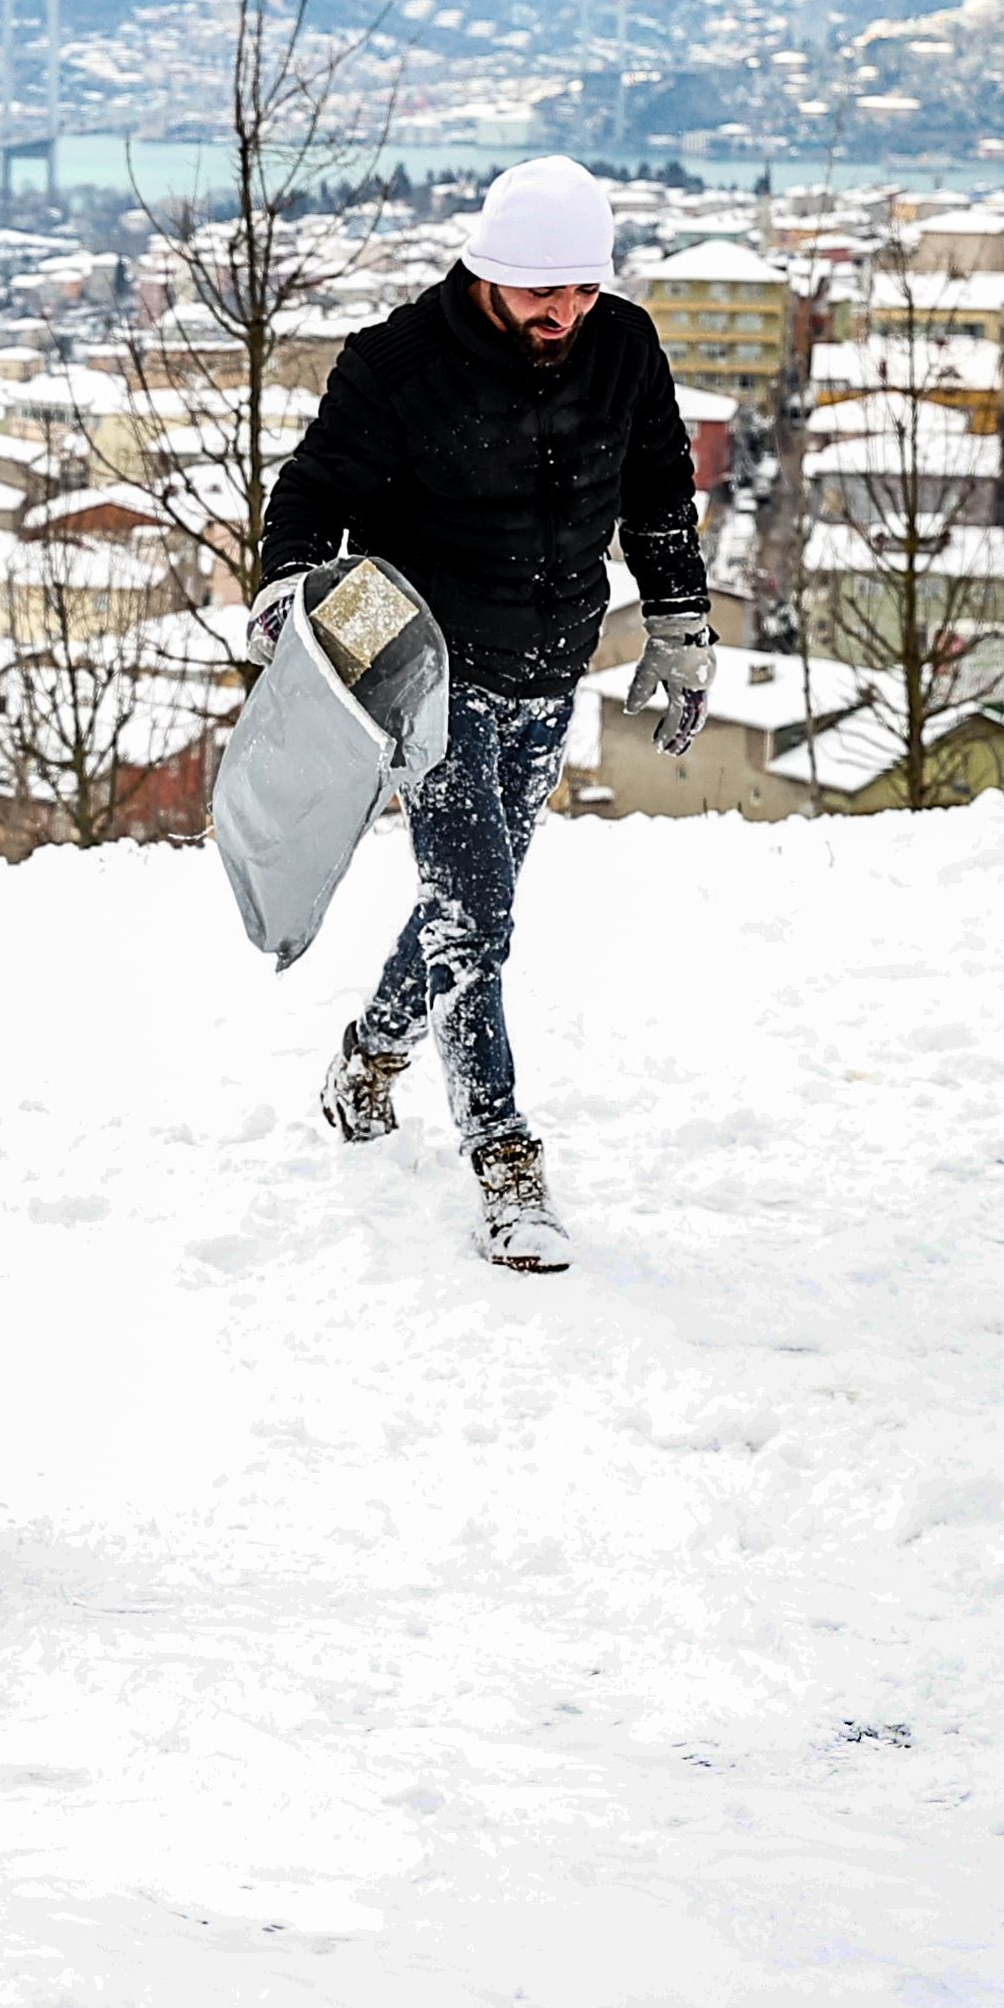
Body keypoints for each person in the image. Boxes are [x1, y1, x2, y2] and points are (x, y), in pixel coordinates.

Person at [252, 153, 706, 1273]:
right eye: (542, 292)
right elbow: (313, 492)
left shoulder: (624, 345)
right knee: (475, 917)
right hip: (429, 683)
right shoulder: (397, 365)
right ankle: (504, 1162)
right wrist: (287, 592)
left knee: (475, 902)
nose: (564, 313)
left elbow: (658, 487)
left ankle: (368, 1054)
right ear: (489, 272)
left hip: (553, 668)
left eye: (582, 291)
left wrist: (681, 618)